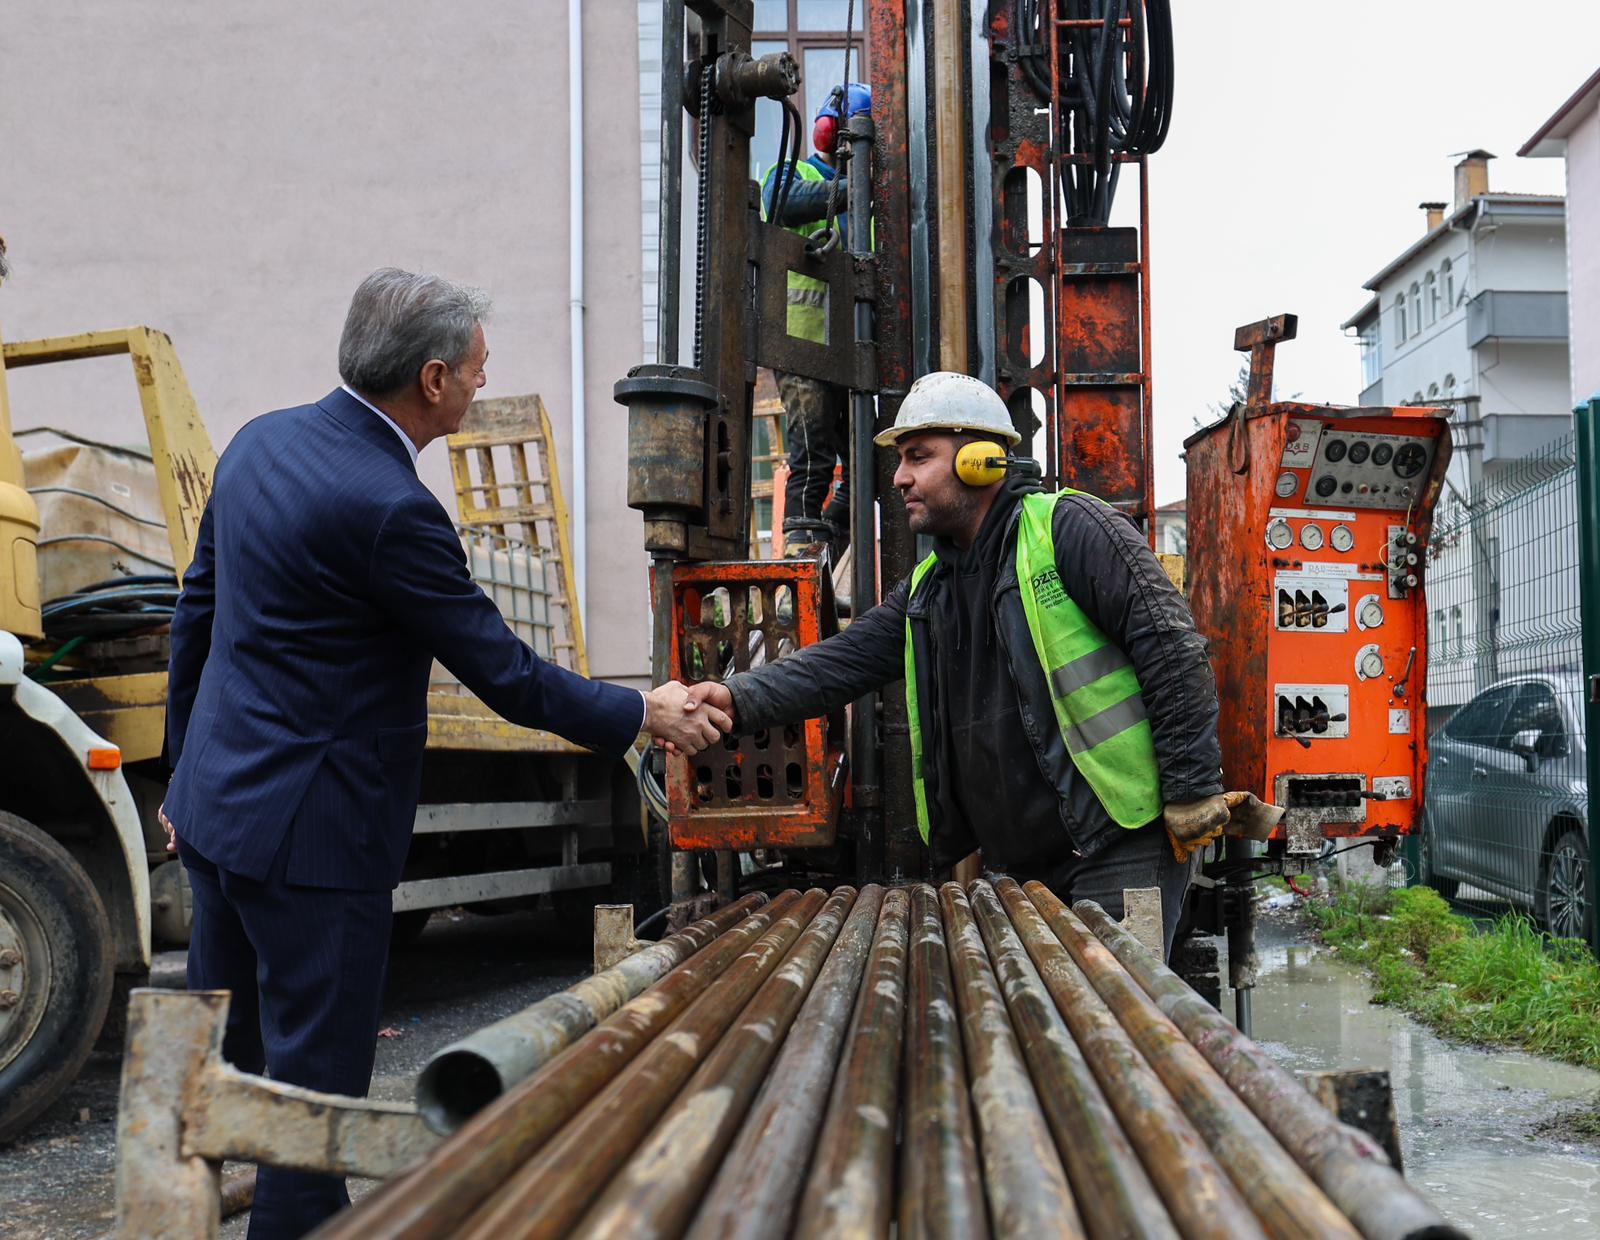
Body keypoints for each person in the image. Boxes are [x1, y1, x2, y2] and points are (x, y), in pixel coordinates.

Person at [161, 268, 729, 1239]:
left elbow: (196, 615)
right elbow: (504, 674)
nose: (479, 385)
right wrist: (646, 712)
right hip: (314, 845)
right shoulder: (391, 508)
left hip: (216, 818)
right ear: (430, 380)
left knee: (232, 1072)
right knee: (311, 1108)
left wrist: (179, 777)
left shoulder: (257, 443)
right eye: (475, 372)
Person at [690, 371, 1227, 955]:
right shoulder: (930, 589)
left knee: (1118, 1025)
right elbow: (838, 665)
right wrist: (735, 697)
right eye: (901, 460)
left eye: (919, 457)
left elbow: (1172, 647)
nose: (899, 478)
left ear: (981, 462)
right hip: (1023, 868)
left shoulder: (1068, 530)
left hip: (1119, 844)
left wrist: (1192, 788)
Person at [760, 81, 871, 560]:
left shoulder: (868, 204)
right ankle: (800, 561)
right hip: (801, 344)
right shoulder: (793, 172)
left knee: (865, 459)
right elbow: (781, 201)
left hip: (848, 351)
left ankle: (828, 542)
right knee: (812, 455)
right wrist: (855, 186)